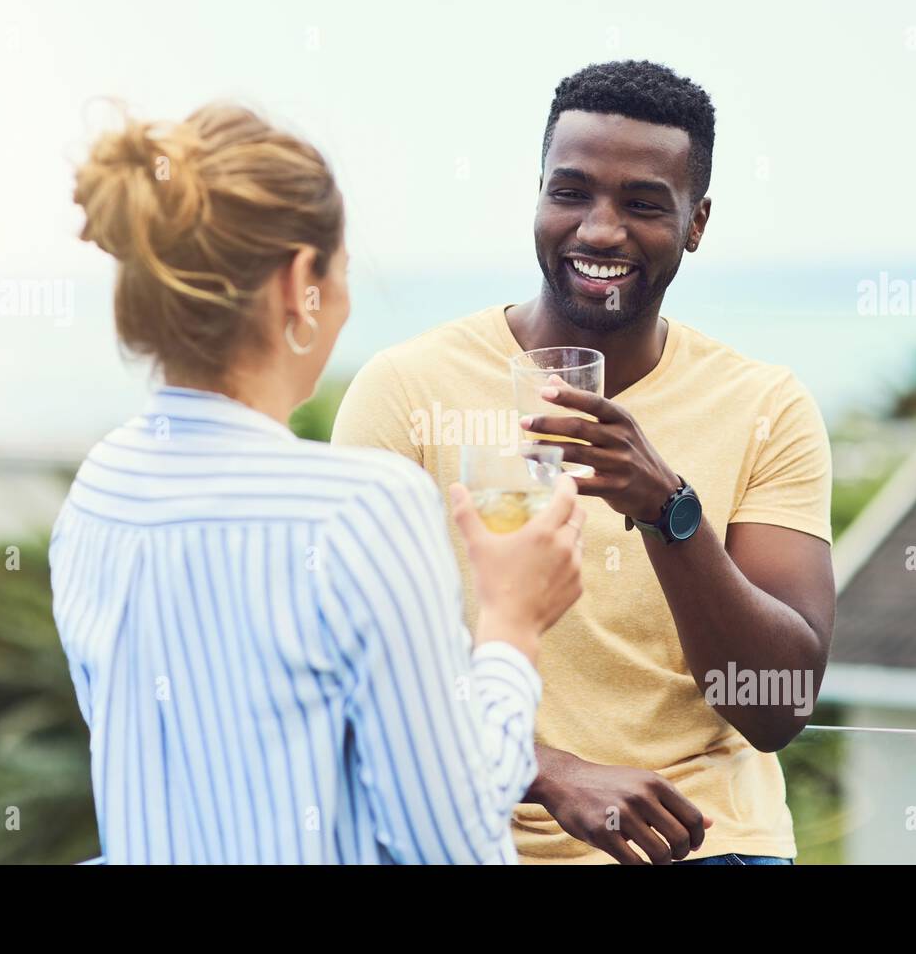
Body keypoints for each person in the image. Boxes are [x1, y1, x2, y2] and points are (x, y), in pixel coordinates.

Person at [50, 102, 585, 864]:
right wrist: (512, 622)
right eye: (339, 269)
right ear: (300, 281)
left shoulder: (98, 491)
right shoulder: (360, 509)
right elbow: (453, 836)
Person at [331, 60, 835, 865]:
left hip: (699, 844)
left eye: (642, 203)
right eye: (570, 192)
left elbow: (777, 708)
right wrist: (549, 771)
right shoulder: (405, 389)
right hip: (462, 831)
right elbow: (347, 661)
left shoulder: (766, 405)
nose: (599, 230)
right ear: (537, 195)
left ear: (697, 222)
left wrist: (670, 510)